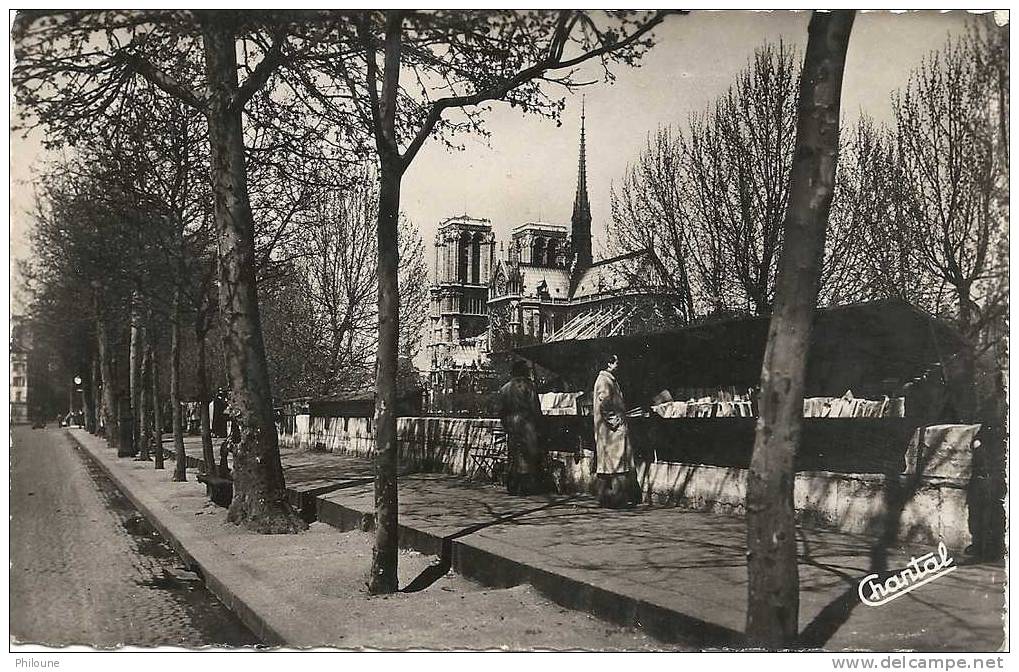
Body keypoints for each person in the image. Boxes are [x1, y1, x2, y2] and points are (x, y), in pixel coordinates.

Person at [593, 354, 638, 508]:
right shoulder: (605, 381)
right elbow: (605, 405)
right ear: (609, 363)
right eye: (617, 362)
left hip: (607, 433)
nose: (619, 366)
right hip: (611, 433)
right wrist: (617, 422)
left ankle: (603, 499)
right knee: (618, 466)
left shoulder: (608, 380)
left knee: (606, 468)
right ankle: (619, 501)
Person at [497, 359, 545, 495]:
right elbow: (535, 407)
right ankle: (524, 487)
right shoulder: (528, 386)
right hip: (526, 424)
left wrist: (506, 425)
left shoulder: (504, 388)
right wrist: (539, 424)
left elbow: (501, 411)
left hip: (512, 425)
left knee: (514, 454)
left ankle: (513, 485)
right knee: (527, 454)